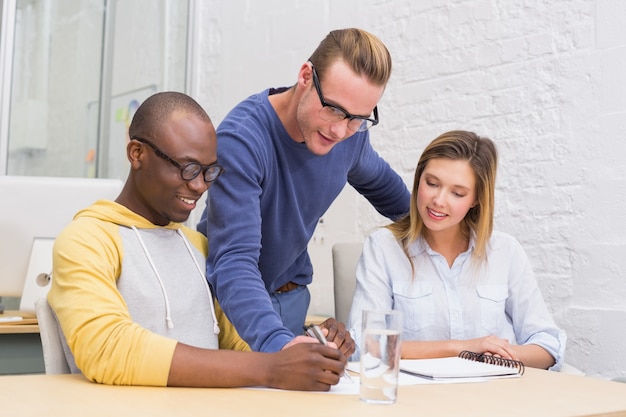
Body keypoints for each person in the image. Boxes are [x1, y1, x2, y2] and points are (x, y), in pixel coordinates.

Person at [47, 91, 347, 390]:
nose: (200, 186)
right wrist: (271, 368)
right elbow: (107, 349)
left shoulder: (199, 246)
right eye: (188, 169)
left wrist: (305, 350)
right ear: (137, 154)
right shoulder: (87, 240)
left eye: (209, 171)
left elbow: (239, 347)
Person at [197, 28, 411, 354]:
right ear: (306, 76)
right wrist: (279, 345)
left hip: (292, 296)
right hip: (232, 305)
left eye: (357, 118)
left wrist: (451, 228)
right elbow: (234, 261)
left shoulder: (350, 137)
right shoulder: (241, 141)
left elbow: (388, 190)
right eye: (334, 109)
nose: (340, 130)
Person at [348, 130, 566, 370]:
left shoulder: (505, 251)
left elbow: (547, 344)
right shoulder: (383, 247)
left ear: (476, 199)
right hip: (418, 399)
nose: (439, 200)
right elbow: (363, 344)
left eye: (457, 193)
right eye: (431, 183)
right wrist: (458, 348)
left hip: (496, 395)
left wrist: (494, 355)